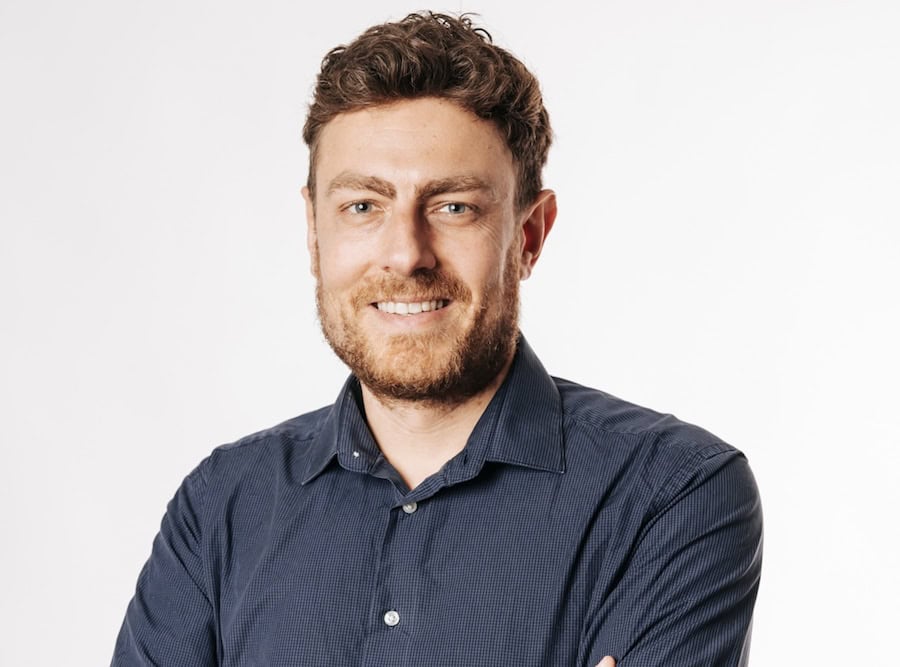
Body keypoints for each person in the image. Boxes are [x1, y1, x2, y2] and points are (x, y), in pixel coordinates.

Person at [112, 12, 762, 666]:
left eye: (454, 206)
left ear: (529, 235)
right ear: (314, 232)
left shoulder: (672, 493)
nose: (406, 254)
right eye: (363, 206)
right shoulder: (221, 504)